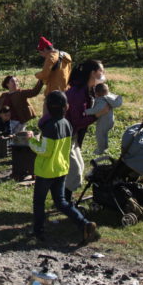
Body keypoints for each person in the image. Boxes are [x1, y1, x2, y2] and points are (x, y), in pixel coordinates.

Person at [27, 90, 99, 244]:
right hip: (61, 169)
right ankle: (84, 223)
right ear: (66, 106)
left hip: (46, 171)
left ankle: (38, 231)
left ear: (47, 107)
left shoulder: (50, 126)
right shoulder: (67, 124)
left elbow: (44, 150)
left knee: (39, 202)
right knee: (61, 202)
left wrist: (31, 140)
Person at [65, 59, 110, 198]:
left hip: (73, 135)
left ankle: (64, 198)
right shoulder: (78, 93)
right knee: (75, 171)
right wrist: (97, 114)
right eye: (101, 71)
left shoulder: (88, 90)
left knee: (79, 167)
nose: (103, 74)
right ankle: (63, 201)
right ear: (92, 73)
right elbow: (78, 120)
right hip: (64, 136)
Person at [85, 82, 123, 156]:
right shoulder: (109, 97)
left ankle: (100, 150)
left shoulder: (101, 100)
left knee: (100, 135)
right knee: (104, 134)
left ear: (97, 93)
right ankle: (105, 147)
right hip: (109, 120)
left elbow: (96, 110)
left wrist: (85, 112)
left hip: (104, 121)